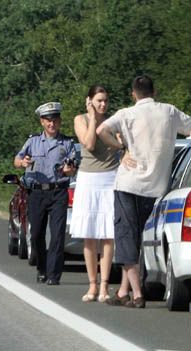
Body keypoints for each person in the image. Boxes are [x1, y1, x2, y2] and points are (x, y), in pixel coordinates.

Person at [96, 74, 191, 308]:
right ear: (154, 92)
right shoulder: (169, 111)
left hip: (128, 184)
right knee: (138, 239)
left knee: (126, 238)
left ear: (134, 94)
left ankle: (136, 294)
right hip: (156, 188)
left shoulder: (127, 113)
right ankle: (123, 291)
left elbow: (101, 131)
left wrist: (122, 147)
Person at [14, 102, 77, 285]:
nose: (52, 124)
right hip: (37, 193)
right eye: (48, 121)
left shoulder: (67, 143)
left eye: (55, 120)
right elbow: (17, 159)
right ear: (42, 122)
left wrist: (68, 170)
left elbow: (72, 169)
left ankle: (54, 275)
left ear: (60, 121)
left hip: (58, 192)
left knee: (57, 235)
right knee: (36, 234)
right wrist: (22, 163)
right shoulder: (32, 142)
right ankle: (42, 268)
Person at [70, 85, 119, 302]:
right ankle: (92, 284)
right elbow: (89, 143)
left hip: (110, 178)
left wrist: (125, 154)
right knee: (89, 235)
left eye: (105, 100)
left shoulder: (113, 121)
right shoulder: (80, 119)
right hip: (88, 179)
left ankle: (104, 286)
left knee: (108, 234)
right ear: (89, 100)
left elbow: (122, 144)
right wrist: (91, 117)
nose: (102, 104)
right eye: (98, 100)